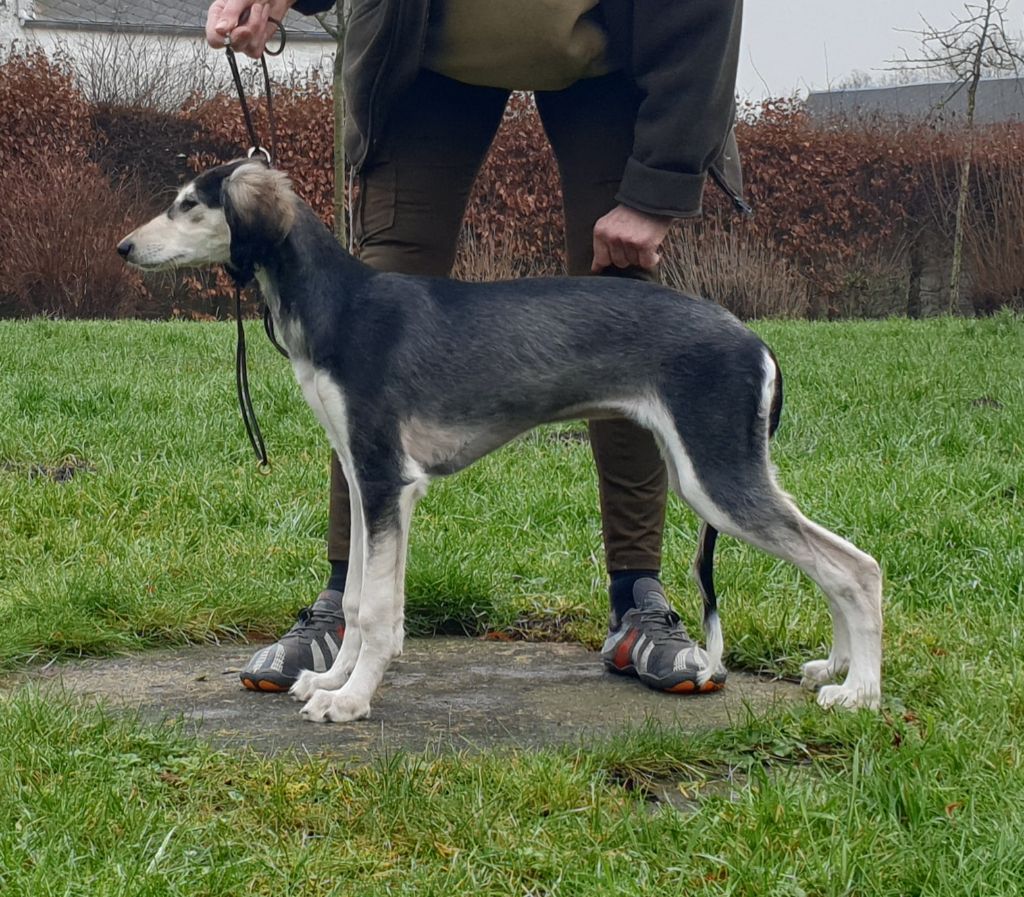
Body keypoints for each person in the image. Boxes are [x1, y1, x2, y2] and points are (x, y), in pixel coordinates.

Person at [205, 0, 748, 695]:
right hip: (421, 53)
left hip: (607, 58)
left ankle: (637, 599)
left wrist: (657, 184)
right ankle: (344, 608)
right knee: (363, 329)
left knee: (625, 311)